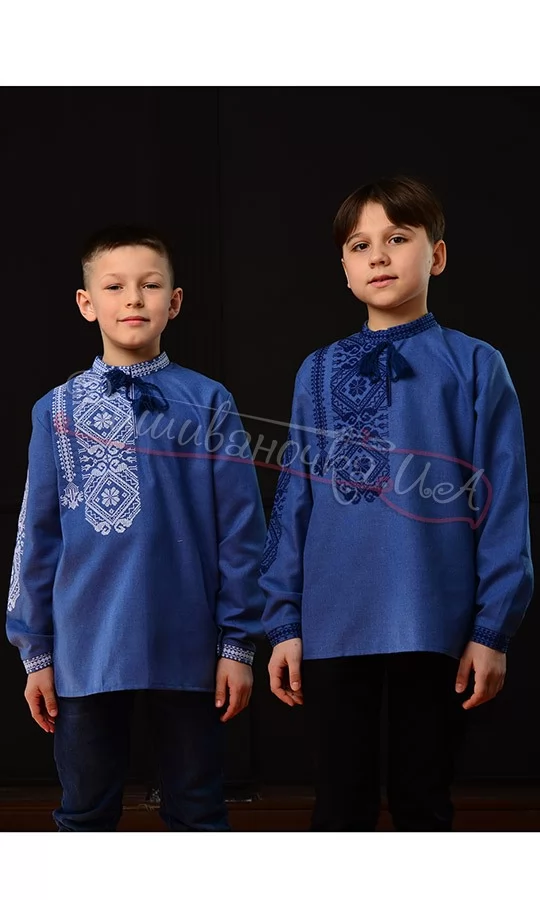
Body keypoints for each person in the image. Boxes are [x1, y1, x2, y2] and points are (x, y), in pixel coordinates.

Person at [259, 175, 534, 831]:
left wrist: (492, 630)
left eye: (397, 238)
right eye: (360, 245)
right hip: (331, 623)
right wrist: (283, 622)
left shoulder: (475, 364)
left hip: (434, 618)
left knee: (422, 801)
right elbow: (294, 500)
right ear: (344, 268)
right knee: (339, 806)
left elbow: (505, 502)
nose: (378, 256)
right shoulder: (316, 370)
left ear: (436, 256)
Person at [6, 225, 266, 831]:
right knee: (85, 813)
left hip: (190, 640)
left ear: (174, 302)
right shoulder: (55, 409)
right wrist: (35, 651)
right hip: (86, 647)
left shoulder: (208, 400)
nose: (133, 299)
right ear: (86, 303)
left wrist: (238, 644)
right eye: (114, 286)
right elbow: (36, 537)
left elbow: (241, 529)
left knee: (198, 811)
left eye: (150, 286)